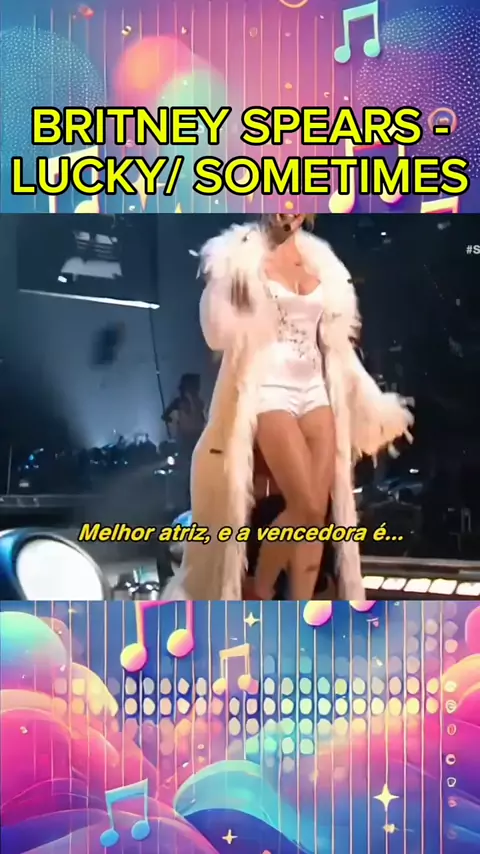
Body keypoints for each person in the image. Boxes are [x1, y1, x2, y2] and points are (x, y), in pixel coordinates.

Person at [162, 213, 413, 601]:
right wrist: (228, 282)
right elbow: (216, 333)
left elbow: (337, 343)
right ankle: (261, 588)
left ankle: (302, 608)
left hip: (316, 388)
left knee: (318, 516)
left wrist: (369, 398)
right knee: (305, 505)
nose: (288, 208)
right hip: (269, 387)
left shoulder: (322, 261)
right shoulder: (240, 256)